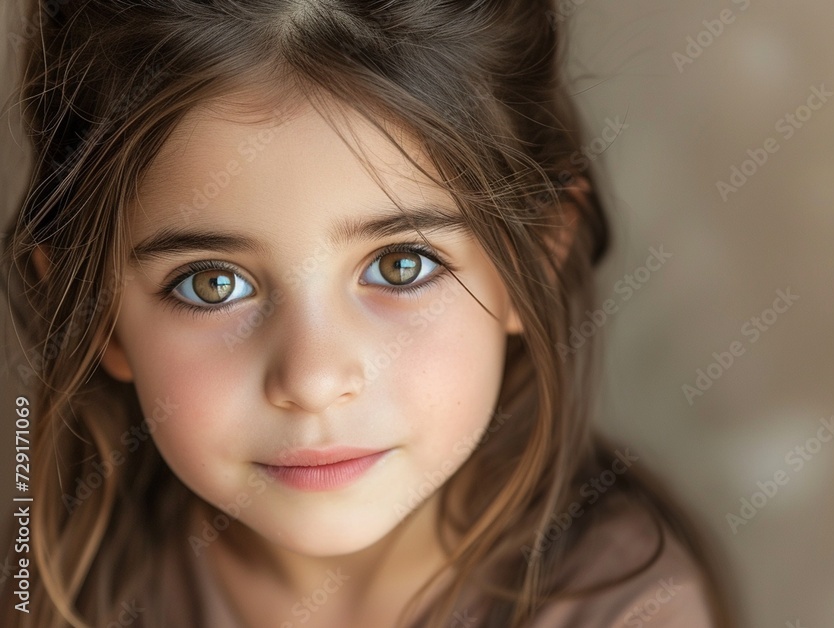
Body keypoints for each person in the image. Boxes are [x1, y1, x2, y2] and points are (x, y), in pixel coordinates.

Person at [0, 1, 734, 626]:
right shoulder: (60, 586)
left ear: (535, 255)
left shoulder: (624, 607)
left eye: (400, 266)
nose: (314, 380)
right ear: (88, 310)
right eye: (212, 284)